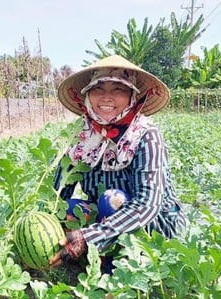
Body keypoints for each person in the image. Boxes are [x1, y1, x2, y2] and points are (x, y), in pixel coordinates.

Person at [49, 55, 186, 272]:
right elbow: (56, 196)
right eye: (98, 88)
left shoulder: (146, 136)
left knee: (112, 199)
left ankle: (117, 275)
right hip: (107, 221)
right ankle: (68, 255)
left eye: (118, 89)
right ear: (87, 94)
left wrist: (88, 236)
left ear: (133, 95)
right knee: (69, 209)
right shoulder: (80, 136)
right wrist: (41, 227)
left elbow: (146, 206)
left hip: (153, 229)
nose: (106, 97)